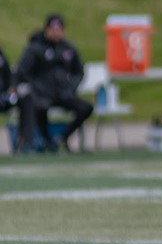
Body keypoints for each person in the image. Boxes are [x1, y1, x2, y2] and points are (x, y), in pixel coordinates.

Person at [15, 13, 93, 153]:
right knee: (38, 106)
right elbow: (22, 72)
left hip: (64, 94)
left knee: (85, 107)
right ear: (46, 30)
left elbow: (79, 71)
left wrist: (71, 85)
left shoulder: (68, 49)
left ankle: (63, 137)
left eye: (59, 29)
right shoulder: (35, 49)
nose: (56, 33)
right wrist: (36, 87)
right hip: (42, 94)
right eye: (53, 29)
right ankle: (46, 140)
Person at [0, 44, 38, 153]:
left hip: (3, 97)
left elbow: (9, 75)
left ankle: (26, 142)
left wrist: (12, 86)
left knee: (27, 100)